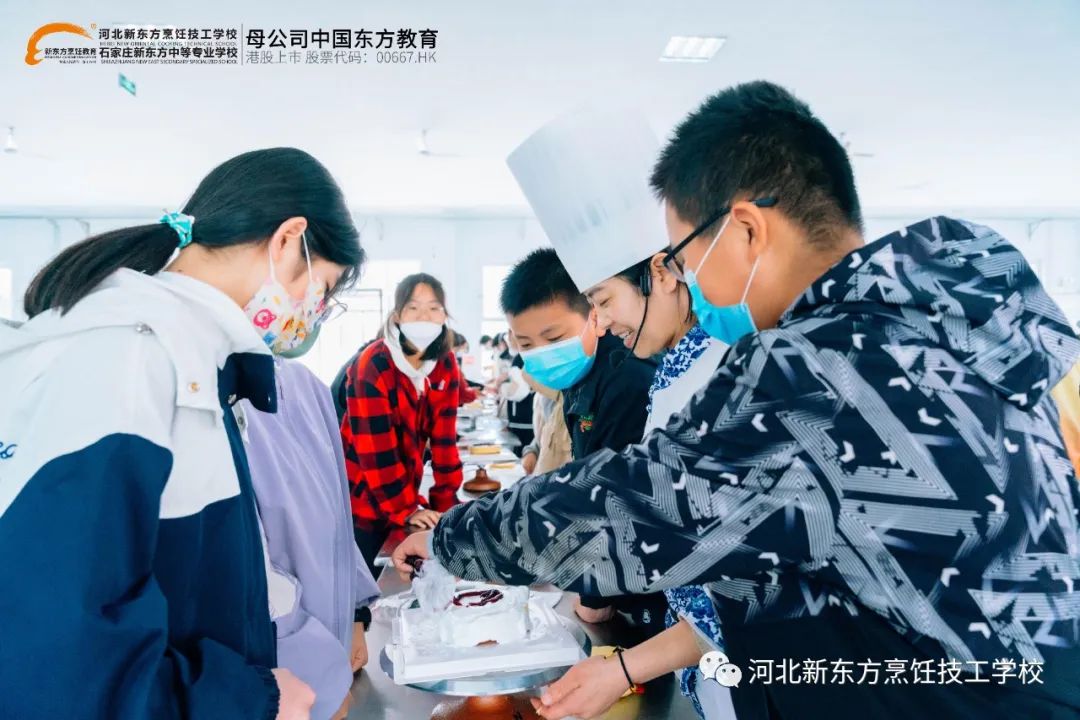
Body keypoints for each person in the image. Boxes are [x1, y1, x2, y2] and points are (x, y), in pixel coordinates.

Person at [395, 81, 1080, 720]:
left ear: (748, 230)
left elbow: (631, 507)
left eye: (686, 259)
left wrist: (455, 539)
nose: (689, 283)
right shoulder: (952, 323)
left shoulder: (815, 369)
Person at [0, 147, 364, 720]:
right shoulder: (127, 362)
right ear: (289, 239)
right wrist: (251, 699)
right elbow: (61, 658)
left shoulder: (195, 366)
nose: (310, 314)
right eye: (322, 289)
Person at [506, 106, 732, 718]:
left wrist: (624, 669)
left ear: (661, 274)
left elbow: (738, 585)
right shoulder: (674, 372)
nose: (601, 323)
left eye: (603, 300)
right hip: (703, 667)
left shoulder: (724, 378)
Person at [498, 247, 668, 632]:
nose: (542, 353)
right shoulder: (581, 372)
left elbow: (610, 498)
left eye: (553, 337)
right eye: (526, 344)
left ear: (594, 314)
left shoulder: (627, 377)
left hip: (643, 583)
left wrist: (594, 598)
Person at [240, 327, 380, 720]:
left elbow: (338, 516)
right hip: (281, 672)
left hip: (330, 652)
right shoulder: (223, 400)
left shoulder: (306, 386)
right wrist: (319, 673)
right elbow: (255, 570)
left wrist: (355, 614)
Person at [340, 273, 463, 574]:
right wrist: (406, 509)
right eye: (414, 308)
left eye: (434, 308)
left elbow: (445, 441)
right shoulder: (372, 365)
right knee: (368, 579)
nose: (424, 317)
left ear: (444, 315)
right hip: (362, 498)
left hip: (404, 488)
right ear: (397, 316)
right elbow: (376, 454)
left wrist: (446, 507)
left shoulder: (445, 363)